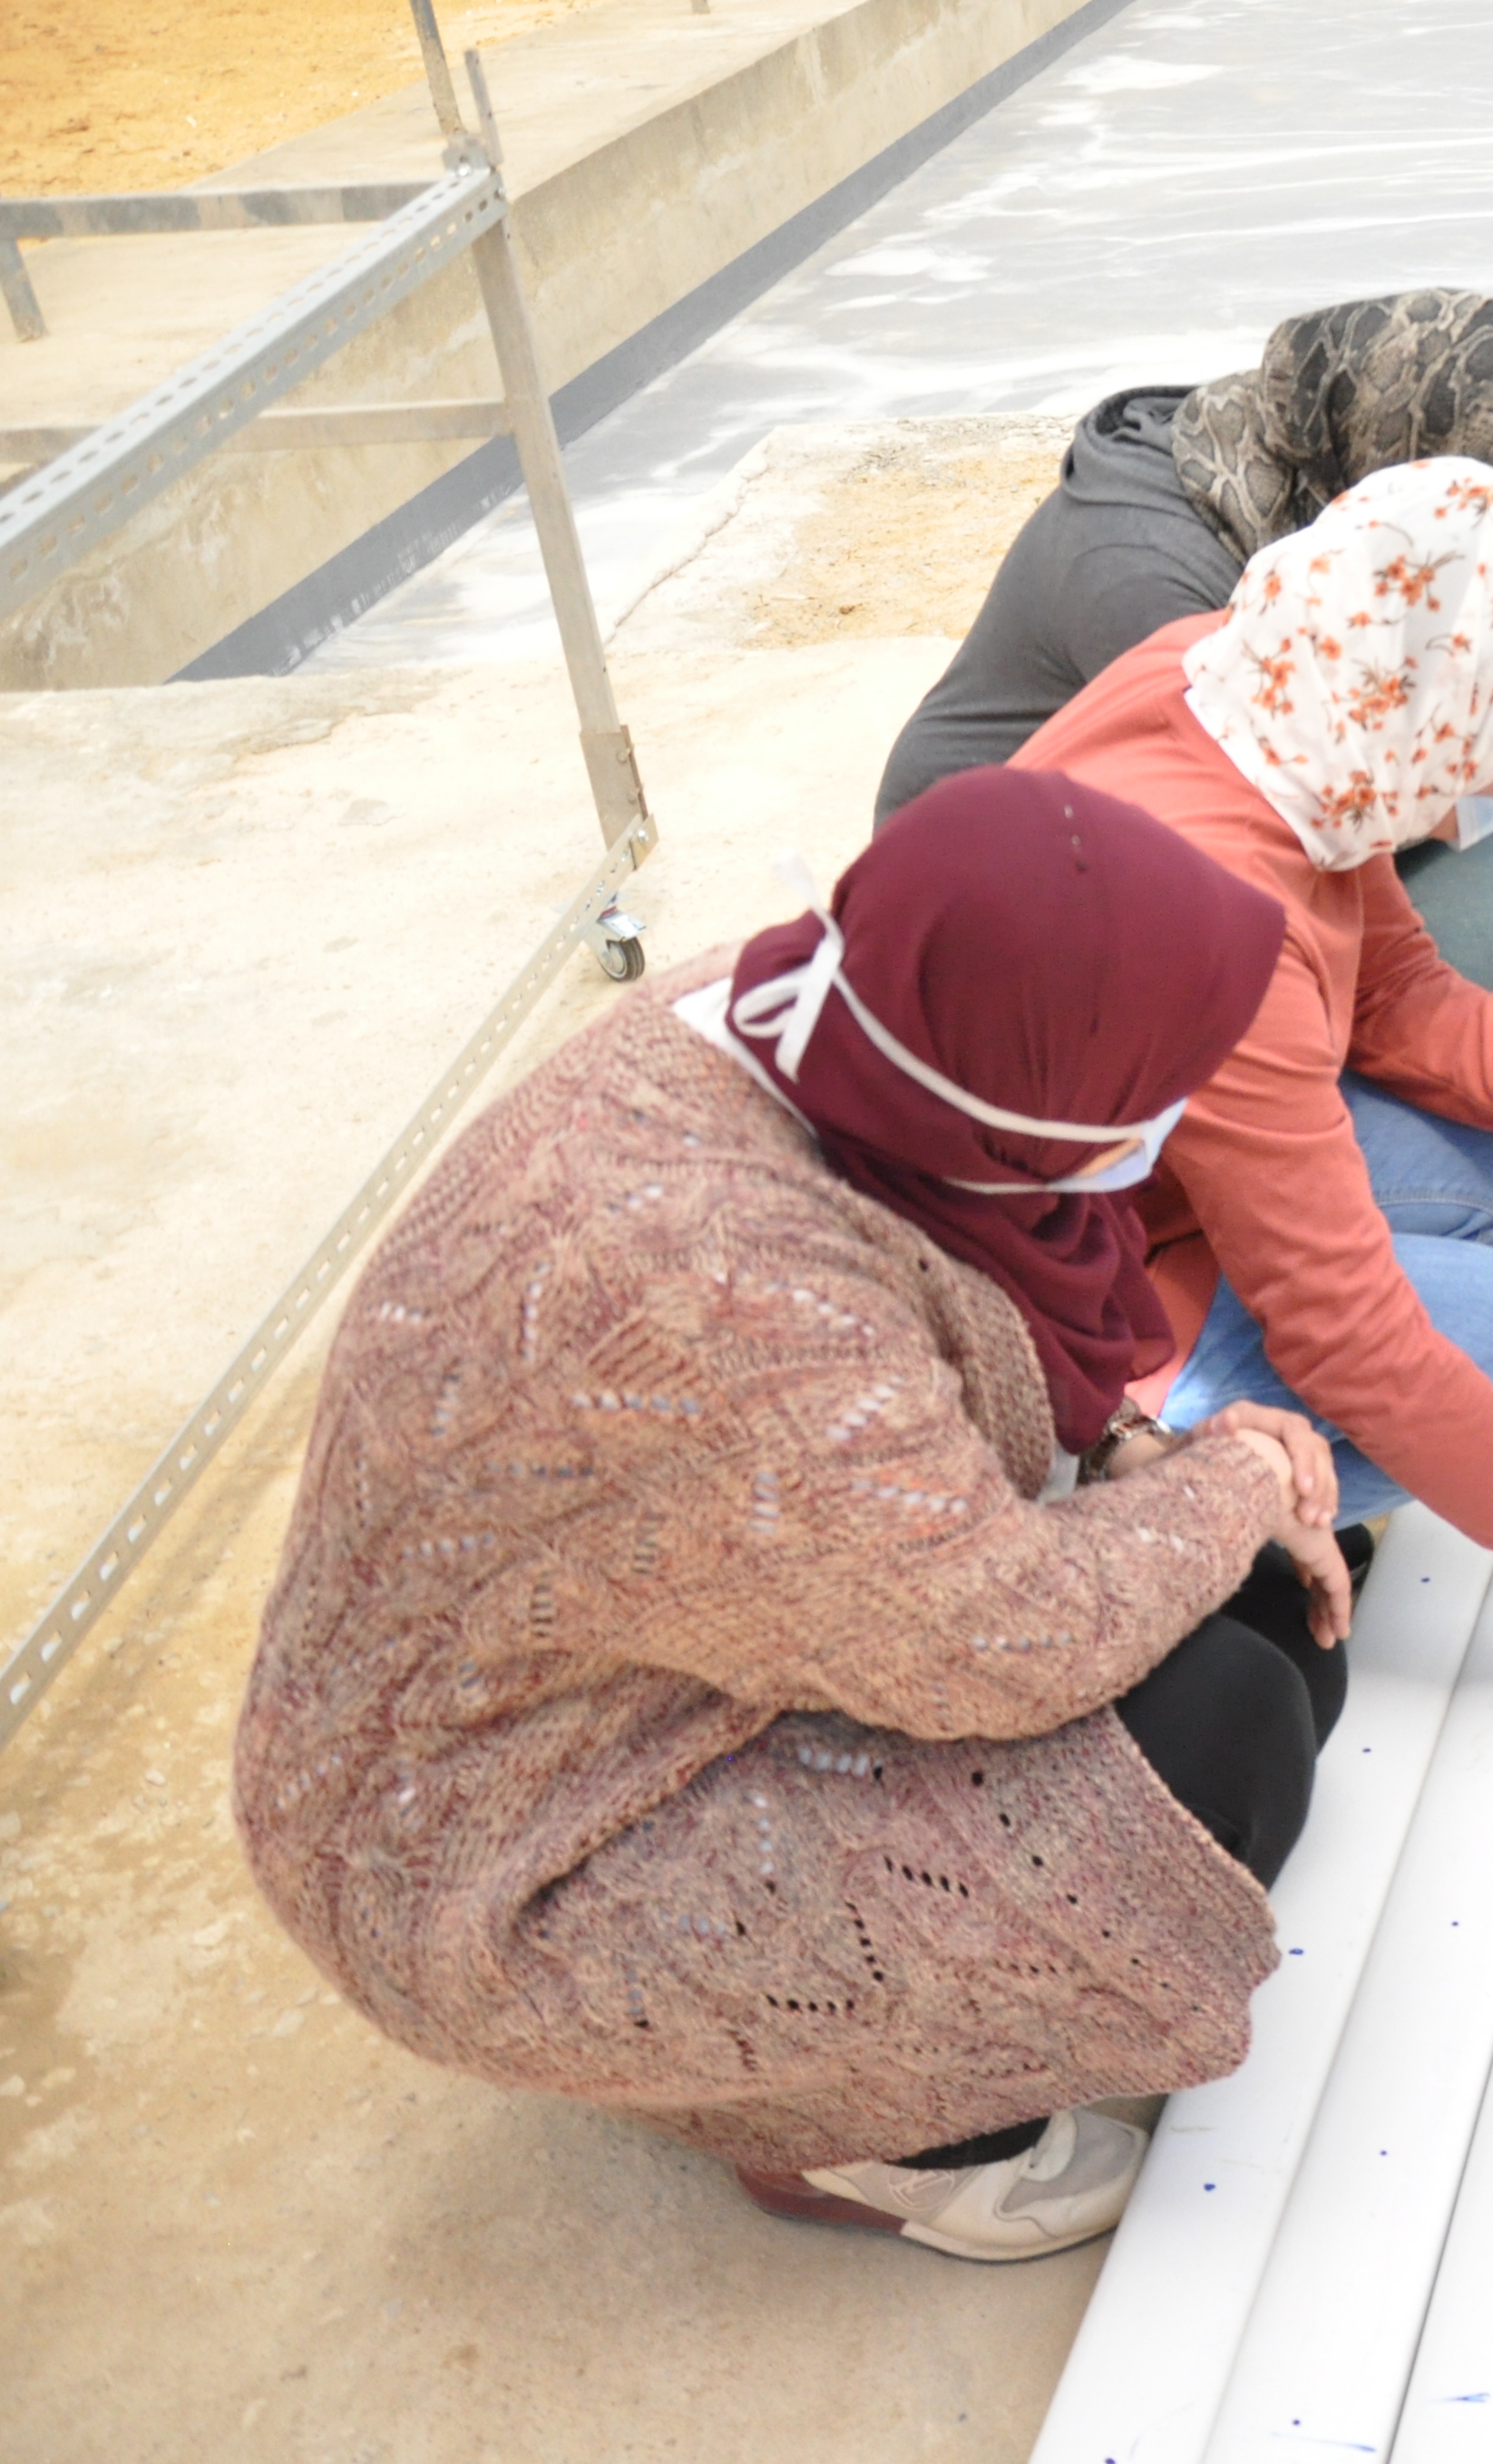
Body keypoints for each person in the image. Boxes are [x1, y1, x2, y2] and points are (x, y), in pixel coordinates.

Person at [239, 769, 1367, 2262]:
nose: (1174, 1111)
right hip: (501, 1860)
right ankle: (857, 2131)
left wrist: (1146, 1462)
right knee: (1226, 1732)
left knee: (1280, 1620)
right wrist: (1226, 1476)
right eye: (1152, 1077)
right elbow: (997, 1641)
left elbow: (952, 1461)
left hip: (652, 1675)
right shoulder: (721, 1282)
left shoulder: (837, 1022)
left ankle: (826, 2050)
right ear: (1024, 1093)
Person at [1014, 453, 1493, 1717]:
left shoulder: (1273, 693)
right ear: (1432, 709)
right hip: (1060, 1308)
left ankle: (1223, 1349)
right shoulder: (1224, 921)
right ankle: (1153, 1459)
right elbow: (1350, 1340)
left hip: (1138, 1187)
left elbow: (1396, 989)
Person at [875, 289, 1493, 1038]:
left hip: (1216, 835)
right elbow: (1259, 845)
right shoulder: (1153, 578)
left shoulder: (1353, 489)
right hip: (1026, 908)